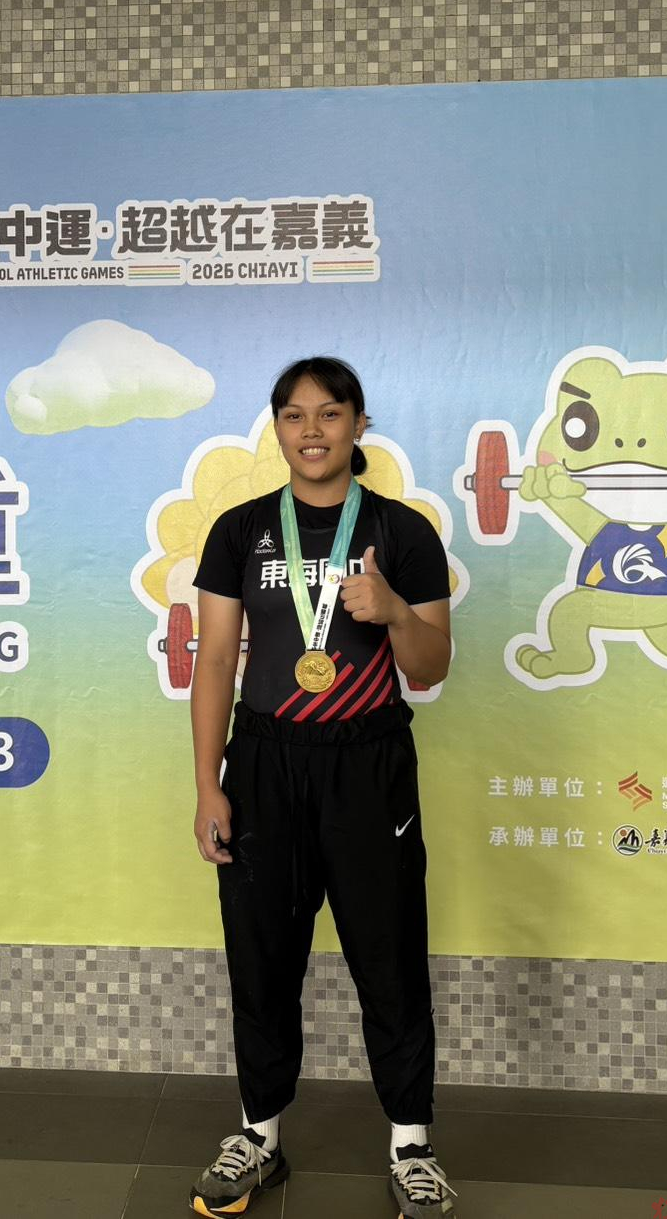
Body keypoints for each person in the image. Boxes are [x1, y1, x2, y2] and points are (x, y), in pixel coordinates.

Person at [187, 356, 456, 1218]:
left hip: (368, 764)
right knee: (261, 954)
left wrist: (396, 610)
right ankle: (259, 1134)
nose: (312, 431)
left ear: (358, 425)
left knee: (390, 953)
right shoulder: (240, 531)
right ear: (277, 428)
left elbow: (431, 665)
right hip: (264, 764)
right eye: (295, 415)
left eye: (330, 413)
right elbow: (215, 662)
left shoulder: (402, 531)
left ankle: (411, 1143)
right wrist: (209, 785)